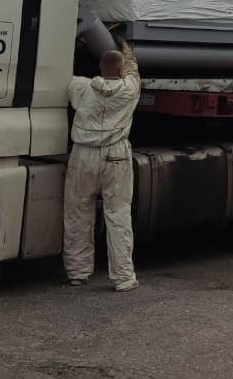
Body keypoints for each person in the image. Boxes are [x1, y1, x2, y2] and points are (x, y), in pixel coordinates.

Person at [63, 38, 142, 290]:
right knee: (118, 214)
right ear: (120, 69)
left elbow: (65, 78)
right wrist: (127, 48)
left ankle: (77, 272)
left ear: (99, 67)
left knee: (78, 212)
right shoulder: (129, 90)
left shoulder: (81, 87)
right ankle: (123, 277)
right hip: (115, 154)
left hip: (83, 153)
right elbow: (133, 72)